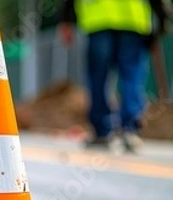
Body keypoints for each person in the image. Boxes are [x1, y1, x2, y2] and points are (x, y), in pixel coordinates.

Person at [59, 0, 168, 152]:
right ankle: (129, 130)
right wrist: (162, 19)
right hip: (132, 20)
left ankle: (103, 131)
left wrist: (66, 19)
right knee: (132, 77)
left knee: (98, 78)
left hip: (98, 18)